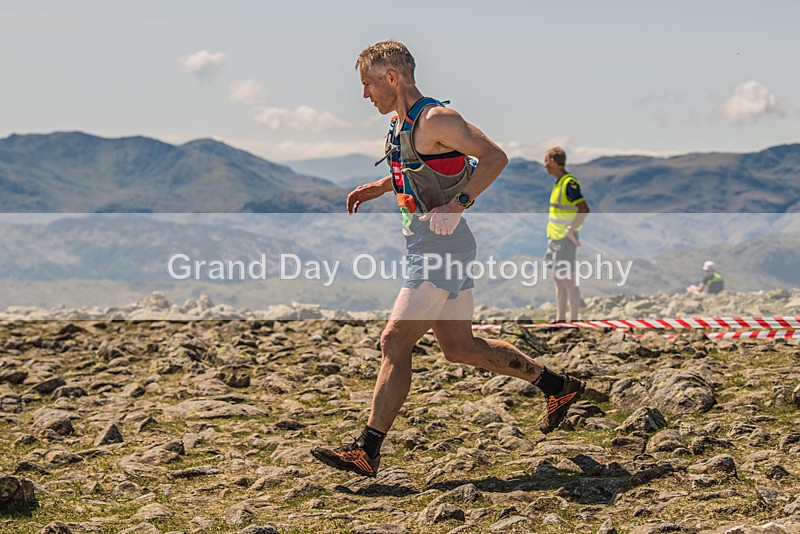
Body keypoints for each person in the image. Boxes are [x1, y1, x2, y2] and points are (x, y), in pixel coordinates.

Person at [310, 40, 585, 478]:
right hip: (432, 246)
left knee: (393, 342)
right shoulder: (403, 124)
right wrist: (379, 187)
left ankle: (367, 449)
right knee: (460, 348)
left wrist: (459, 202)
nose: (365, 95)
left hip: (442, 249)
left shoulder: (437, 118)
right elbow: (418, 168)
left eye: (367, 85)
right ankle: (558, 386)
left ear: (392, 79)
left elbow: (495, 158)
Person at [543, 147, 590, 322]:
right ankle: (561, 319)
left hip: (564, 239)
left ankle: (574, 320)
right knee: (558, 279)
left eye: (546, 160)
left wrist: (571, 230)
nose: (545, 165)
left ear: (554, 162)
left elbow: (584, 209)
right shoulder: (559, 183)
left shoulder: (569, 183)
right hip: (555, 239)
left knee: (568, 280)